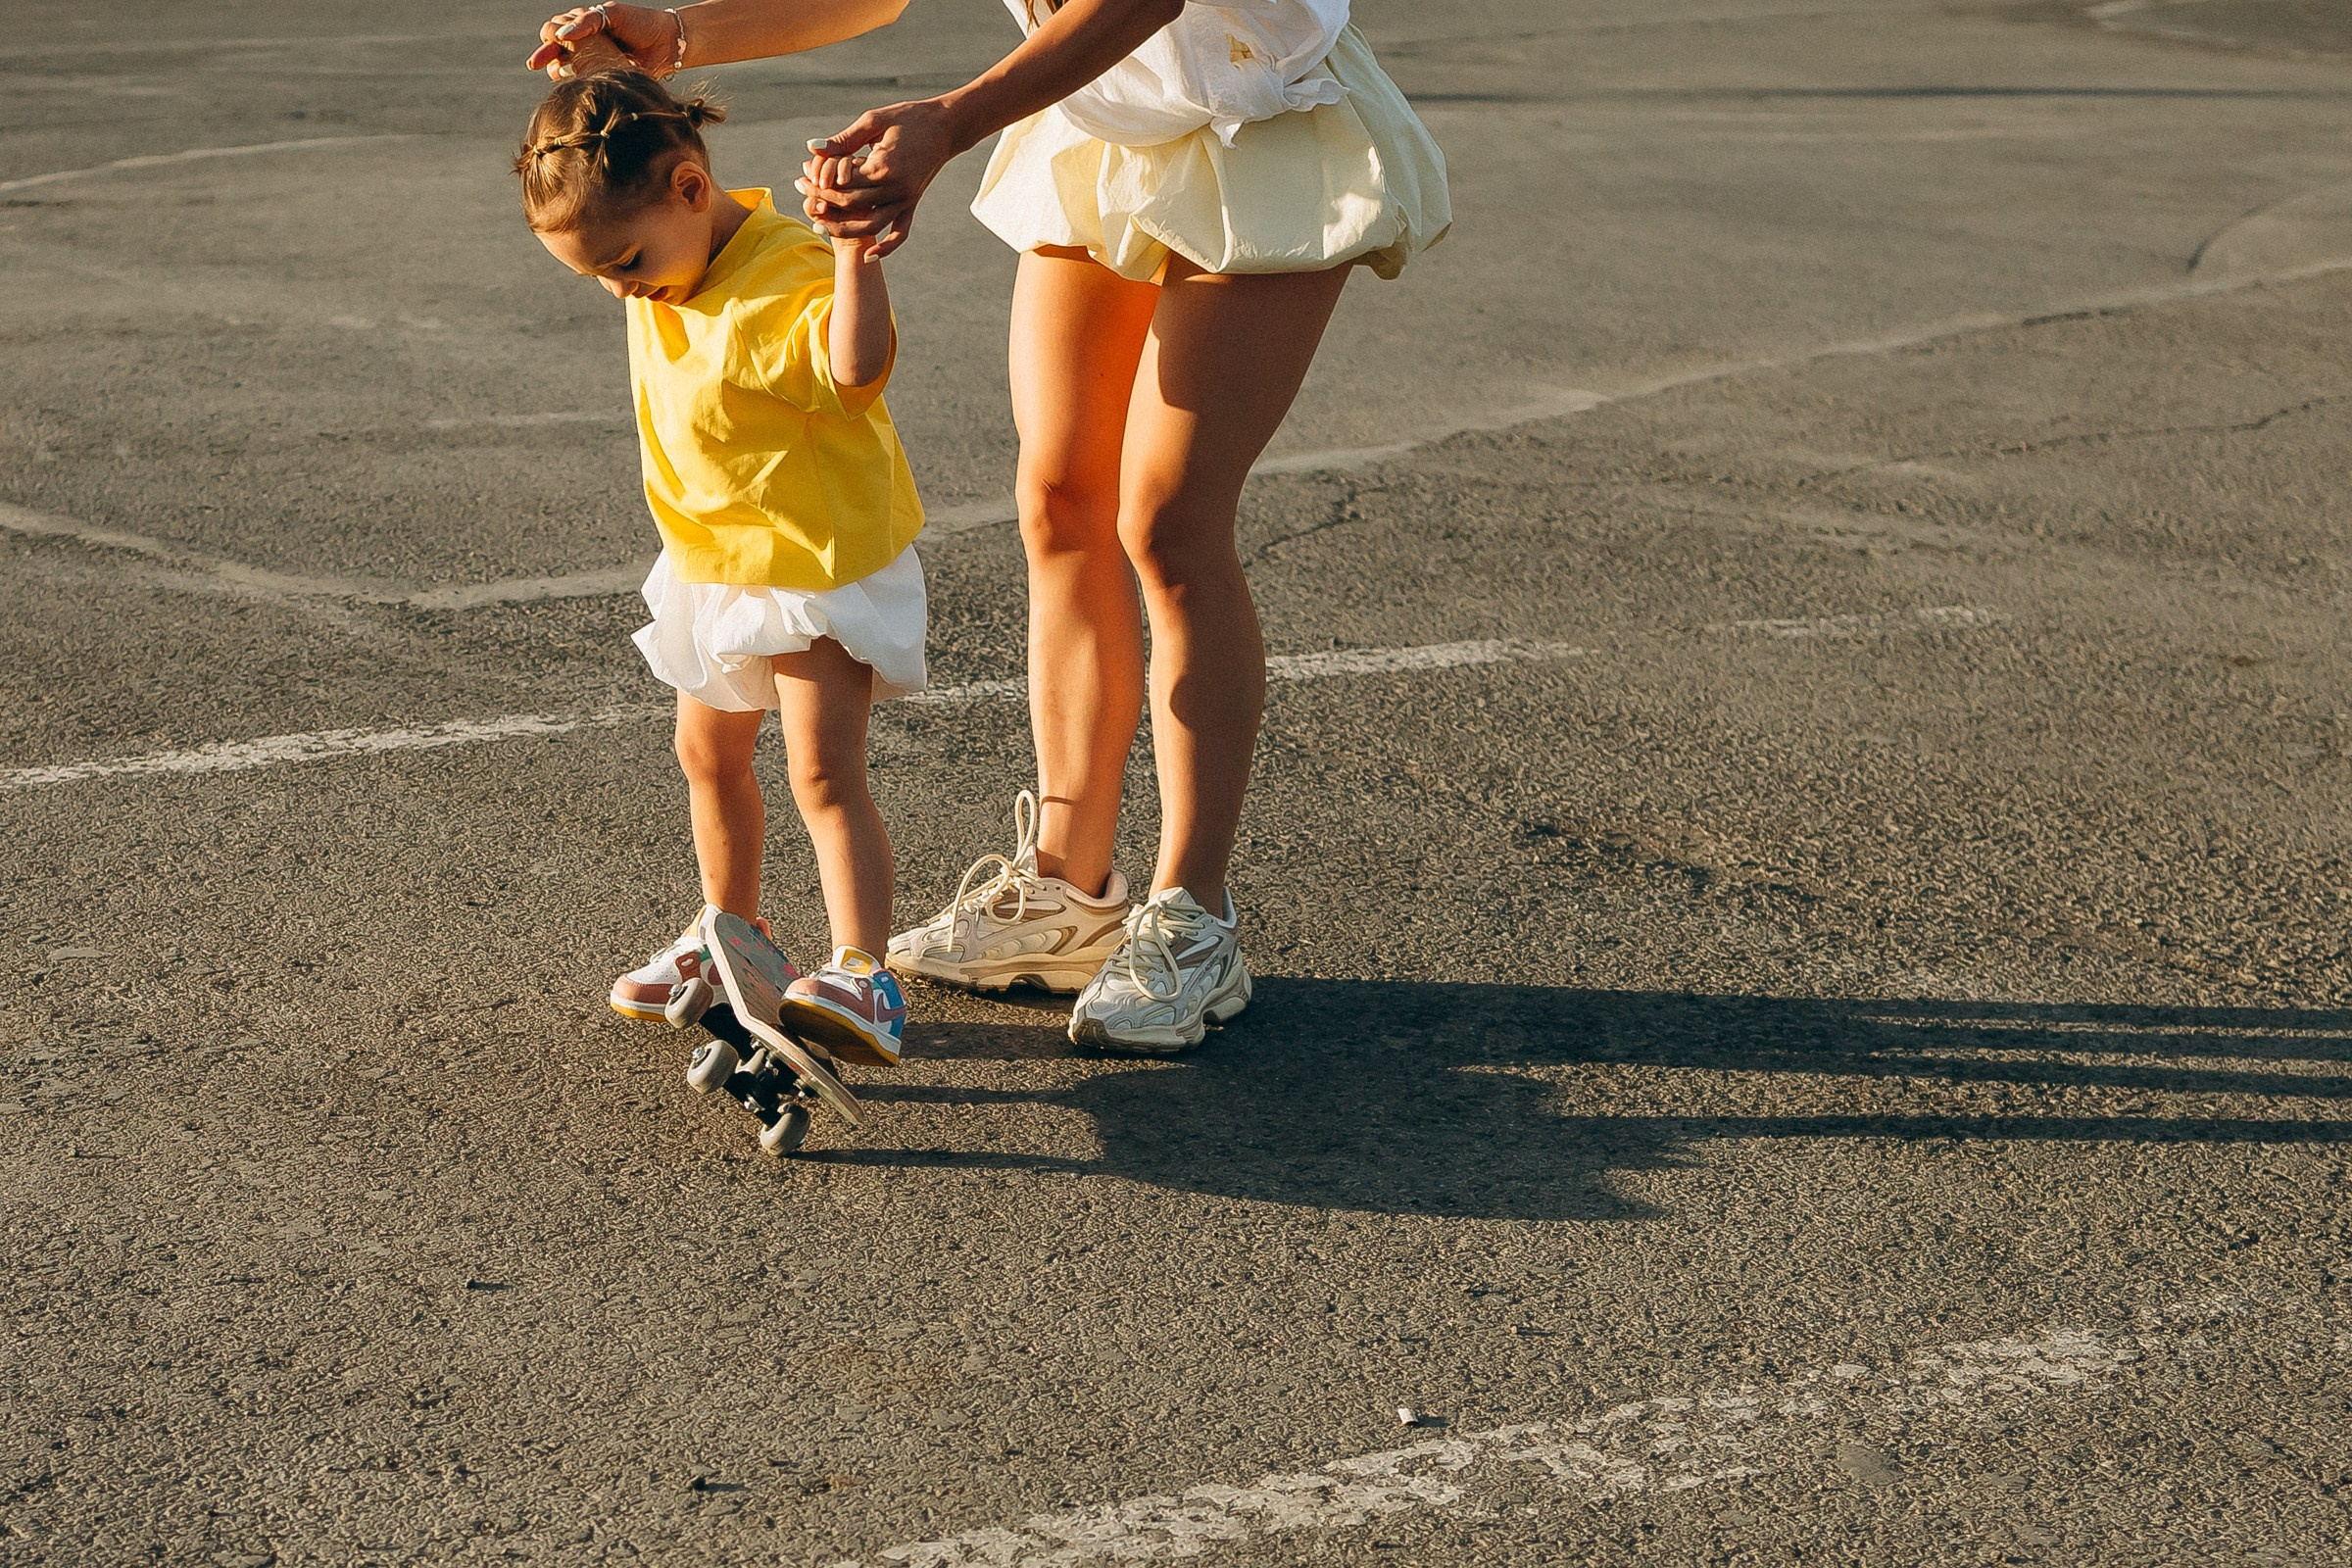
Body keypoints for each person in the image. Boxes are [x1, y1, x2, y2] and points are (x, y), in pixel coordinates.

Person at [529, 1, 1447, 1054]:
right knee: (1059, 497)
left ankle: (1194, 916)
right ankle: (1069, 890)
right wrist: (682, 38)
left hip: (1259, 113)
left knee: (1168, 520)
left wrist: (951, 122)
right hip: (1104, 115)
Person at [515, 64, 921, 1065]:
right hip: (715, 556)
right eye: (598, 276)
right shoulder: (667, 244)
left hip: (812, 561)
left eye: (625, 261)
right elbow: (610, 122)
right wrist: (590, 65)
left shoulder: (783, 273)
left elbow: (856, 370)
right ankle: (731, 935)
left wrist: (854, 258)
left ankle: (867, 974)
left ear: (692, 190)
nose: (620, 288)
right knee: (709, 755)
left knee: (823, 772)